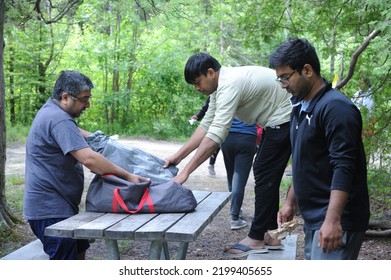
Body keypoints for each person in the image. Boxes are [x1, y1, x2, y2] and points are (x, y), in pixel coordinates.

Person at [163, 53, 292, 257]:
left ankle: (257, 237)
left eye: (198, 82)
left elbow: (217, 133)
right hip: (277, 120)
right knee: (265, 173)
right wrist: (178, 156)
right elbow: (207, 124)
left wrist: (185, 172)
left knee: (264, 172)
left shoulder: (229, 84)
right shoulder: (219, 88)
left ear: (211, 73)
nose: (197, 88)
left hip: (285, 117)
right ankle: (270, 234)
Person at [23, 70, 150, 260]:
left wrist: (104, 142)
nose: (88, 105)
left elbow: (79, 134)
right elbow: (89, 159)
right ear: (65, 97)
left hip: (60, 208)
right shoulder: (58, 119)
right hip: (49, 211)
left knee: (79, 252)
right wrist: (129, 176)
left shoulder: (52, 112)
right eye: (84, 99)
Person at [269, 37, 370, 260]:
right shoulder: (301, 106)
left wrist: (333, 219)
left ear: (306, 70)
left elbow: (344, 166)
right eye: (280, 80)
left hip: (337, 219)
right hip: (315, 218)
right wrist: (290, 202)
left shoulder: (336, 108)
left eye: (285, 77)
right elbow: (304, 161)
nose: (283, 85)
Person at [221, 118, 257, 230]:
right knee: (239, 178)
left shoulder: (228, 99)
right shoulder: (254, 98)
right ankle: (235, 218)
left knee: (231, 174)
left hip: (227, 136)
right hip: (247, 136)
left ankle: (236, 207)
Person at [190, 96, 220, 176]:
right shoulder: (213, 94)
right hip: (214, 123)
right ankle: (211, 164)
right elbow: (205, 107)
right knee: (215, 144)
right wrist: (198, 116)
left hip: (229, 125)